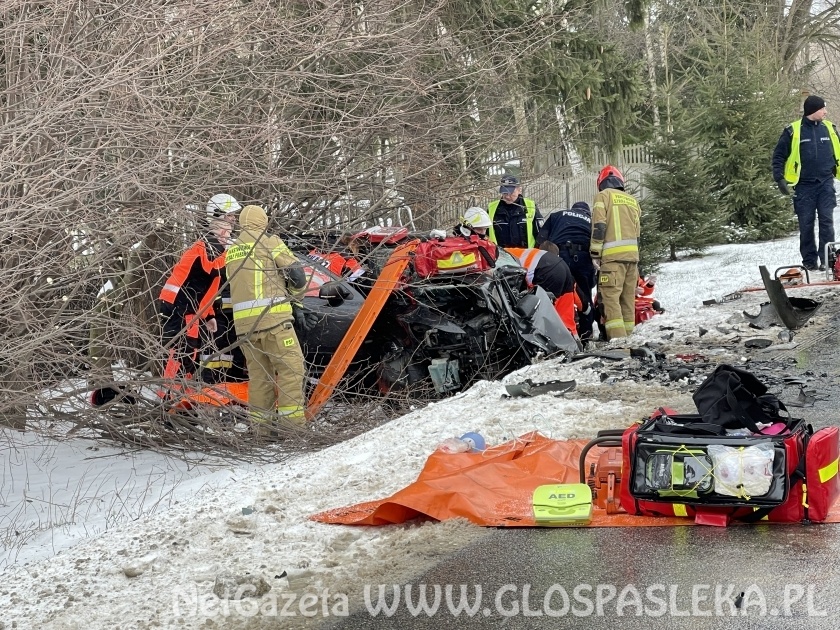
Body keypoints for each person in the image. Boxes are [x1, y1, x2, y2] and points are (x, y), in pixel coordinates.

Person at [225, 204, 308, 434]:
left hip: (245, 330)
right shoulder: (269, 242)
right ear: (263, 221)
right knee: (291, 371)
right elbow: (297, 275)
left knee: (260, 379)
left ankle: (261, 433)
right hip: (274, 322)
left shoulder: (232, 251)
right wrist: (296, 300)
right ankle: (293, 432)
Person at [158, 193, 242, 381]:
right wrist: (231, 250)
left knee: (190, 352)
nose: (233, 220)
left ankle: (180, 395)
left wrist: (209, 315)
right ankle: (169, 397)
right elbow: (212, 268)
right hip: (177, 307)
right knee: (180, 353)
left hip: (189, 308)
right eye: (230, 216)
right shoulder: (208, 245)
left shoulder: (214, 245)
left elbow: (208, 289)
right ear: (218, 216)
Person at [772, 95, 840, 271]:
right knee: (806, 224)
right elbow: (779, 156)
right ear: (813, 110)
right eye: (823, 108)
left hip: (825, 183)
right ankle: (809, 262)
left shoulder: (830, 129)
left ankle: (828, 260)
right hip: (804, 186)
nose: (825, 111)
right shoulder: (793, 131)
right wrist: (779, 179)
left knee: (827, 222)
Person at [590, 165, 642, 340]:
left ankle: (618, 343)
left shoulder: (603, 197)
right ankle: (628, 337)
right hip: (632, 260)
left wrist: (595, 254)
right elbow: (637, 233)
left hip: (612, 260)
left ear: (601, 183)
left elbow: (599, 226)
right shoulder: (632, 200)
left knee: (611, 299)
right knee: (627, 300)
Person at [537, 201, 597, 340]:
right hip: (583, 258)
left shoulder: (557, 215)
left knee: (557, 295)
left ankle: (552, 334)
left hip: (559, 257)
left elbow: (541, 238)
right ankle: (586, 335)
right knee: (584, 296)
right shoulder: (591, 221)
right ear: (587, 213)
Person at [504, 241, 578, 338]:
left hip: (547, 270)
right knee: (564, 304)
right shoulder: (508, 253)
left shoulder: (497, 258)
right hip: (561, 267)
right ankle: (574, 341)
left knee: (538, 313)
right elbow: (578, 297)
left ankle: (546, 343)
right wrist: (587, 311)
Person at [487, 174, 542, 248]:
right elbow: (485, 235)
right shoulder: (492, 208)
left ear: (519, 190)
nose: (507, 196)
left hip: (526, 255)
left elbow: (540, 234)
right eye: (504, 193)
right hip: (502, 256)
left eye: (511, 193)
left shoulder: (530, 206)